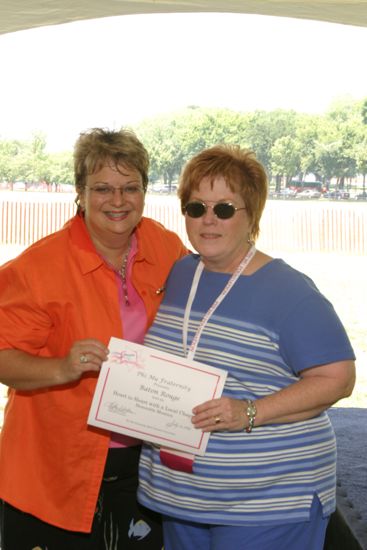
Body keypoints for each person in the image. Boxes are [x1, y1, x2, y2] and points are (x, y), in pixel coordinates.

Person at [137, 144, 356, 550]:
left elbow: (338, 378)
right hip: (183, 496)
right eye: (195, 207)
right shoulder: (182, 274)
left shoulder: (290, 292)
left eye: (223, 209)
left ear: (251, 214)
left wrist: (249, 412)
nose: (207, 220)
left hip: (269, 502)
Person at [0, 128, 187, 549]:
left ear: (144, 190)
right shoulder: (37, 267)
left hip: (147, 460)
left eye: (130, 188)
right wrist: (62, 367)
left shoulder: (167, 246)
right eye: (102, 188)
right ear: (80, 193)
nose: (118, 201)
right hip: (55, 468)